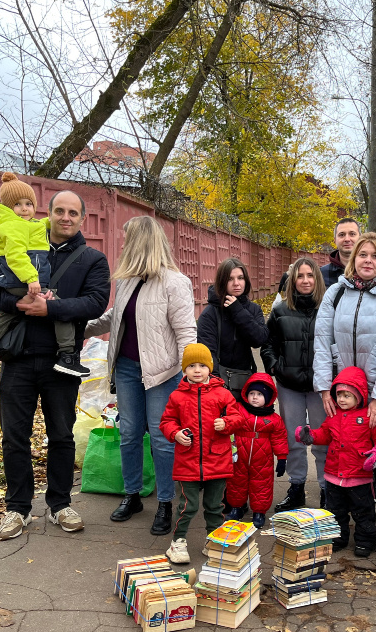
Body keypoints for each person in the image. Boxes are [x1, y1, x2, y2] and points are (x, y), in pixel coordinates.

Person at [0, 189, 110, 540]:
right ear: (48, 213)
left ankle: (59, 504)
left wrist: (50, 309)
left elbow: (96, 302)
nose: (65, 217)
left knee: (62, 436)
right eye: (59, 211)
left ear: (82, 219)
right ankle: (17, 508)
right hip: (18, 358)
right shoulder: (21, 240)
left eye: (73, 212)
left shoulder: (92, 259)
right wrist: (17, 302)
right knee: (14, 437)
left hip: (62, 362)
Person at [84, 215, 196, 536]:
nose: (123, 245)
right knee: (129, 433)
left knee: (161, 440)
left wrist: (191, 376)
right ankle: (132, 495)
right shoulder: (128, 281)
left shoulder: (175, 282)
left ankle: (164, 503)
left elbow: (187, 332)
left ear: (141, 242)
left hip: (163, 374)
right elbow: (114, 317)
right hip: (128, 369)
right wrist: (80, 325)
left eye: (127, 239)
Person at [313, 232, 376, 551]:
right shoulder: (335, 295)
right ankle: (344, 520)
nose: (368, 260)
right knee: (340, 450)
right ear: (353, 258)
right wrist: (325, 388)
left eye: (375, 256)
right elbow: (322, 343)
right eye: (362, 254)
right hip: (343, 394)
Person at [0, 173, 87, 391]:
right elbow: (16, 256)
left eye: (29, 204)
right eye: (18, 205)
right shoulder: (14, 227)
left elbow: (40, 224)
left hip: (18, 281)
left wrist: (54, 220)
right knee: (55, 305)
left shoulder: (26, 225)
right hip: (21, 280)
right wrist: (32, 279)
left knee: (4, 319)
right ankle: (67, 356)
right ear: (9, 208)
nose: (24, 208)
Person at [295, 366, 376, 558]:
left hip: (359, 475)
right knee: (335, 511)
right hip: (333, 474)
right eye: (339, 394)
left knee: (363, 512)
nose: (341, 399)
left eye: (347, 395)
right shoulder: (333, 415)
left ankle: (366, 540)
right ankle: (337, 538)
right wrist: (311, 435)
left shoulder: (369, 415)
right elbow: (325, 433)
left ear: (359, 396)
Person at [158, 343, 240, 564]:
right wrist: (175, 433)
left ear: (209, 368)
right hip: (187, 461)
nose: (196, 370)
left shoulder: (223, 394)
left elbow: (237, 418)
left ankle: (214, 541)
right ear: (184, 370)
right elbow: (166, 422)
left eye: (202, 365)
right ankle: (178, 542)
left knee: (215, 506)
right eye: (191, 365)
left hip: (218, 459)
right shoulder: (177, 396)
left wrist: (226, 423)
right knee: (188, 505)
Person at [261, 258, 329, 513]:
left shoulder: (328, 309)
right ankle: (297, 487)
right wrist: (274, 366)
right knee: (293, 439)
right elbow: (268, 344)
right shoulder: (280, 311)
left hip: (319, 386)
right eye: (300, 276)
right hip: (289, 385)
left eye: (310, 275)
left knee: (322, 439)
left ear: (317, 279)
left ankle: (326, 488)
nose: (305, 281)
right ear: (293, 280)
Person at [224, 373, 289, 529]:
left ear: (268, 397)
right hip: (239, 455)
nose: (254, 397)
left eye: (259, 394)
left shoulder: (274, 418)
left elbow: (279, 438)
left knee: (261, 485)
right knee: (236, 483)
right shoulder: (238, 410)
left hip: (263, 458)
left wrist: (281, 458)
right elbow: (228, 422)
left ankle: (259, 511)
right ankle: (236, 507)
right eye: (252, 393)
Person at [197, 257, 269, 394]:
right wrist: (218, 386)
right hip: (218, 383)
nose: (237, 283)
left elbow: (258, 339)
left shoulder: (254, 309)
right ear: (222, 282)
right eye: (230, 279)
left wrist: (238, 311)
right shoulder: (210, 313)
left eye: (240, 278)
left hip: (246, 382)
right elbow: (207, 353)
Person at [276, 217, 361, 294]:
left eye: (352, 234)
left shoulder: (370, 272)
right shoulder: (320, 275)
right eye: (341, 235)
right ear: (335, 240)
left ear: (360, 238)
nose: (347, 239)